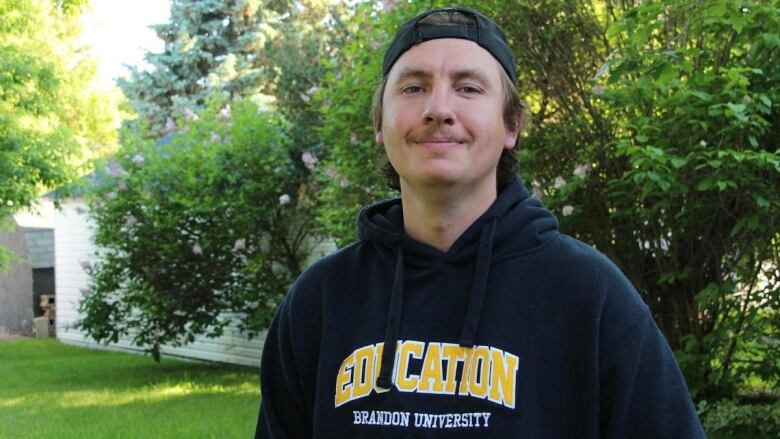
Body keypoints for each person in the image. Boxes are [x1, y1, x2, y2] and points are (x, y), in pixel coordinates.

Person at [255, 7, 706, 438]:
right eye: (413, 88)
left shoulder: (590, 297)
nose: (439, 108)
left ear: (511, 126)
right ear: (379, 123)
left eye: (468, 88)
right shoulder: (320, 301)